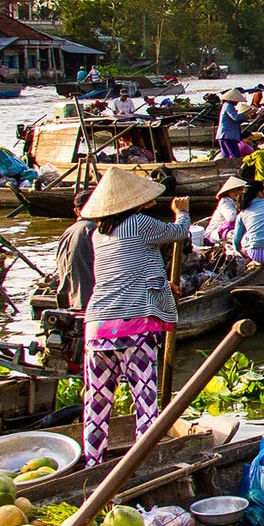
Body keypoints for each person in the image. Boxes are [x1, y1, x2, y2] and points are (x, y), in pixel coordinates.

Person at [78, 170, 192, 467]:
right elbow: (180, 233)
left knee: (97, 402)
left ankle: (92, 462)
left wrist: (165, 287)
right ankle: (144, 462)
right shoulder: (139, 224)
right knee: (145, 401)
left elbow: (127, 272)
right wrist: (182, 213)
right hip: (132, 327)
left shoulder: (97, 235)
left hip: (97, 327)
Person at [203, 176, 246, 245]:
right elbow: (231, 218)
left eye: (239, 189)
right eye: (233, 190)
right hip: (214, 234)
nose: (236, 192)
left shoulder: (240, 202)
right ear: (228, 192)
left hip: (230, 231)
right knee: (232, 225)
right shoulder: (225, 201)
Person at [215, 88, 248, 160]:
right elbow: (236, 118)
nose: (237, 103)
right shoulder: (228, 106)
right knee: (235, 155)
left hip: (225, 135)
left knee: (226, 155)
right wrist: (247, 113)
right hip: (228, 135)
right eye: (236, 101)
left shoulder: (226, 106)